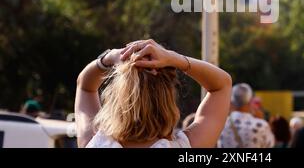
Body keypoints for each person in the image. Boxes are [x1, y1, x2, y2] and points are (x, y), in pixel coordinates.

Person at [75, 38, 232, 148]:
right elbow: (222, 85)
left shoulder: (95, 143)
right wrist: (173, 58)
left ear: (116, 98)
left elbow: (85, 86)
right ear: (168, 98)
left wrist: (108, 58)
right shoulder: (185, 146)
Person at [217, 83, 274, 148]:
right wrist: (261, 120)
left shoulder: (220, 124)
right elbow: (270, 144)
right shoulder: (261, 125)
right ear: (250, 101)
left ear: (232, 101)